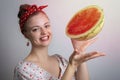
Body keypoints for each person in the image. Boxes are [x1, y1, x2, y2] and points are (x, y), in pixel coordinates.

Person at [13, 4, 105, 80]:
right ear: (25, 34)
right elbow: (72, 65)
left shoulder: (60, 60)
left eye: (46, 26)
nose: (44, 32)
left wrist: (80, 52)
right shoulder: (23, 69)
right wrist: (72, 65)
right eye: (36, 29)